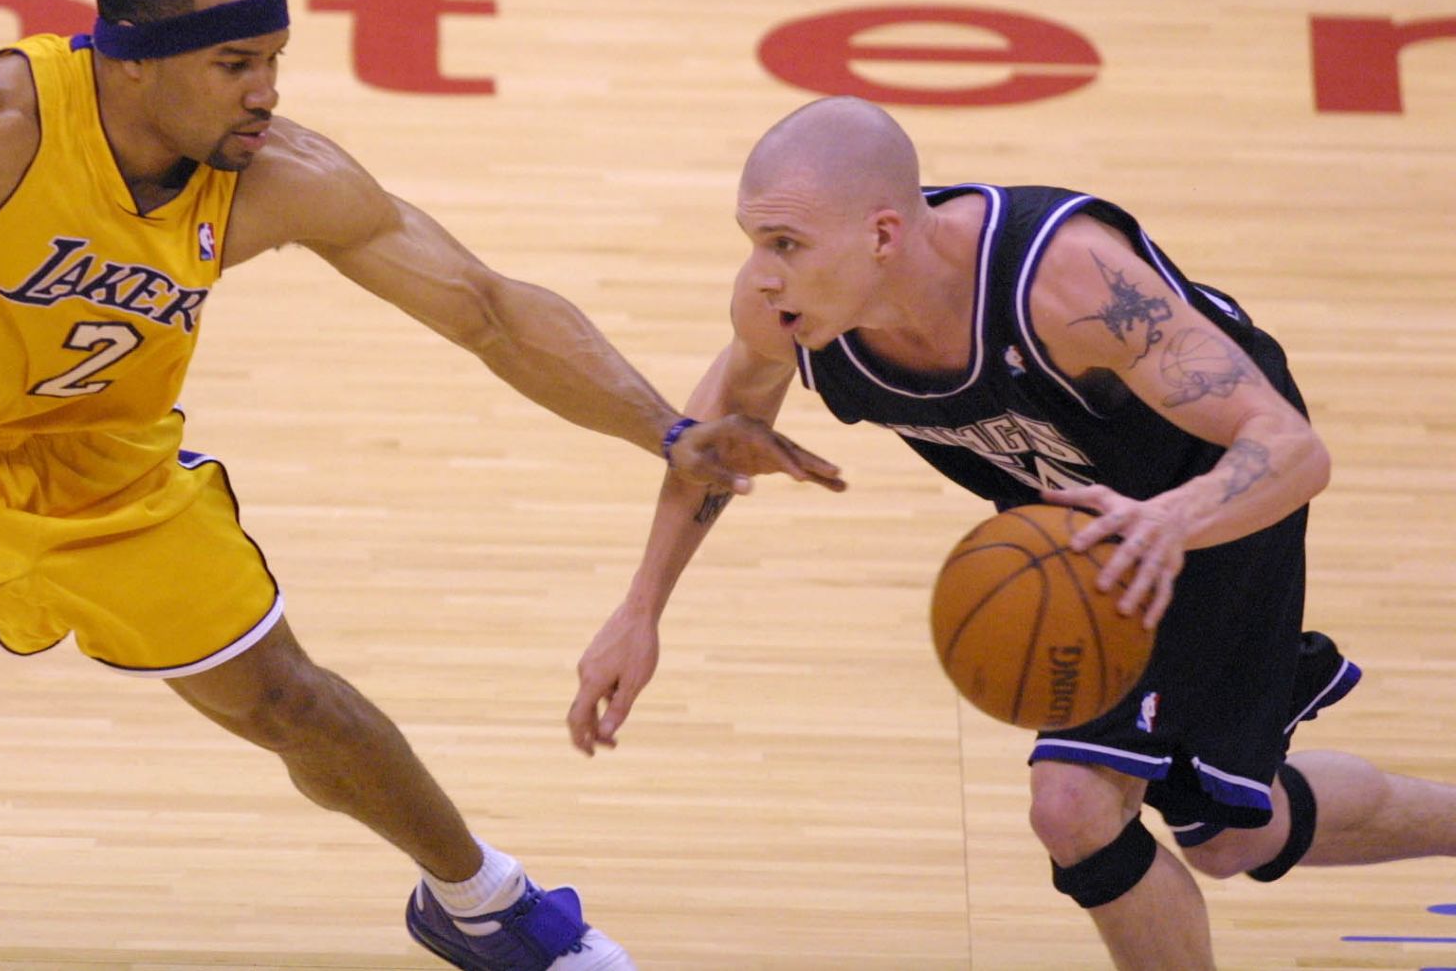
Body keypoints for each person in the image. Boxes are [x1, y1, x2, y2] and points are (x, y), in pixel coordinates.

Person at [0, 0, 842, 971]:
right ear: (131, 61)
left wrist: (668, 431)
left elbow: (489, 311)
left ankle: (483, 904)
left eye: (272, 60)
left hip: (101, 469)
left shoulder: (280, 176)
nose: (267, 93)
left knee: (296, 703)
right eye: (234, 65)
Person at [567, 96, 1456, 971]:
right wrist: (640, 607)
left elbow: (1291, 448)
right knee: (1233, 832)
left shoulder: (1065, 283)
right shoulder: (786, 312)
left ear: (882, 235)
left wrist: (1169, 522)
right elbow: (715, 439)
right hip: (1086, 521)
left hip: (1212, 494)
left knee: (1072, 804)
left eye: (786, 245)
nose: (761, 273)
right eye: (754, 241)